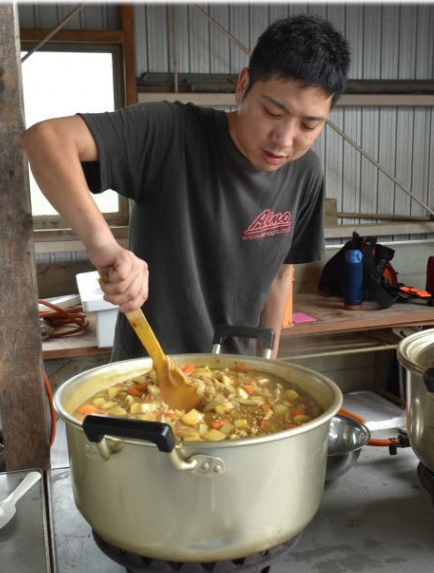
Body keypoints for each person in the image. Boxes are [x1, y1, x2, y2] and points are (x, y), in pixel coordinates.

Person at [21, 14, 351, 359]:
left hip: (236, 378)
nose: (284, 140)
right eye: (271, 112)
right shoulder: (171, 133)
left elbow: (281, 277)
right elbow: (46, 139)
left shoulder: (306, 172)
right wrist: (104, 246)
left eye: (309, 125)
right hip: (149, 377)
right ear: (243, 85)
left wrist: (267, 367)